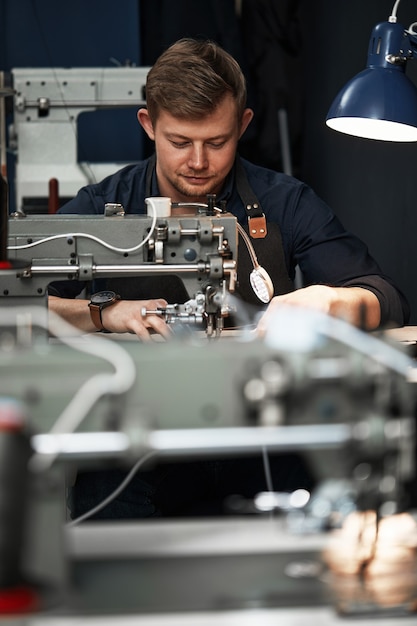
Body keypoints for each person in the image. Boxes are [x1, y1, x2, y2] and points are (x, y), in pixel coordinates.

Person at [49, 38, 409, 519]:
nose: (198, 162)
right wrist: (103, 313)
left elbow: (387, 297)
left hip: (260, 431)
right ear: (148, 125)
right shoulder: (101, 207)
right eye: (180, 142)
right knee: (103, 517)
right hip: (140, 437)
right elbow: (19, 305)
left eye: (217, 142)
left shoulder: (284, 202)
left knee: (337, 509)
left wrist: (335, 302)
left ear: (242, 125)